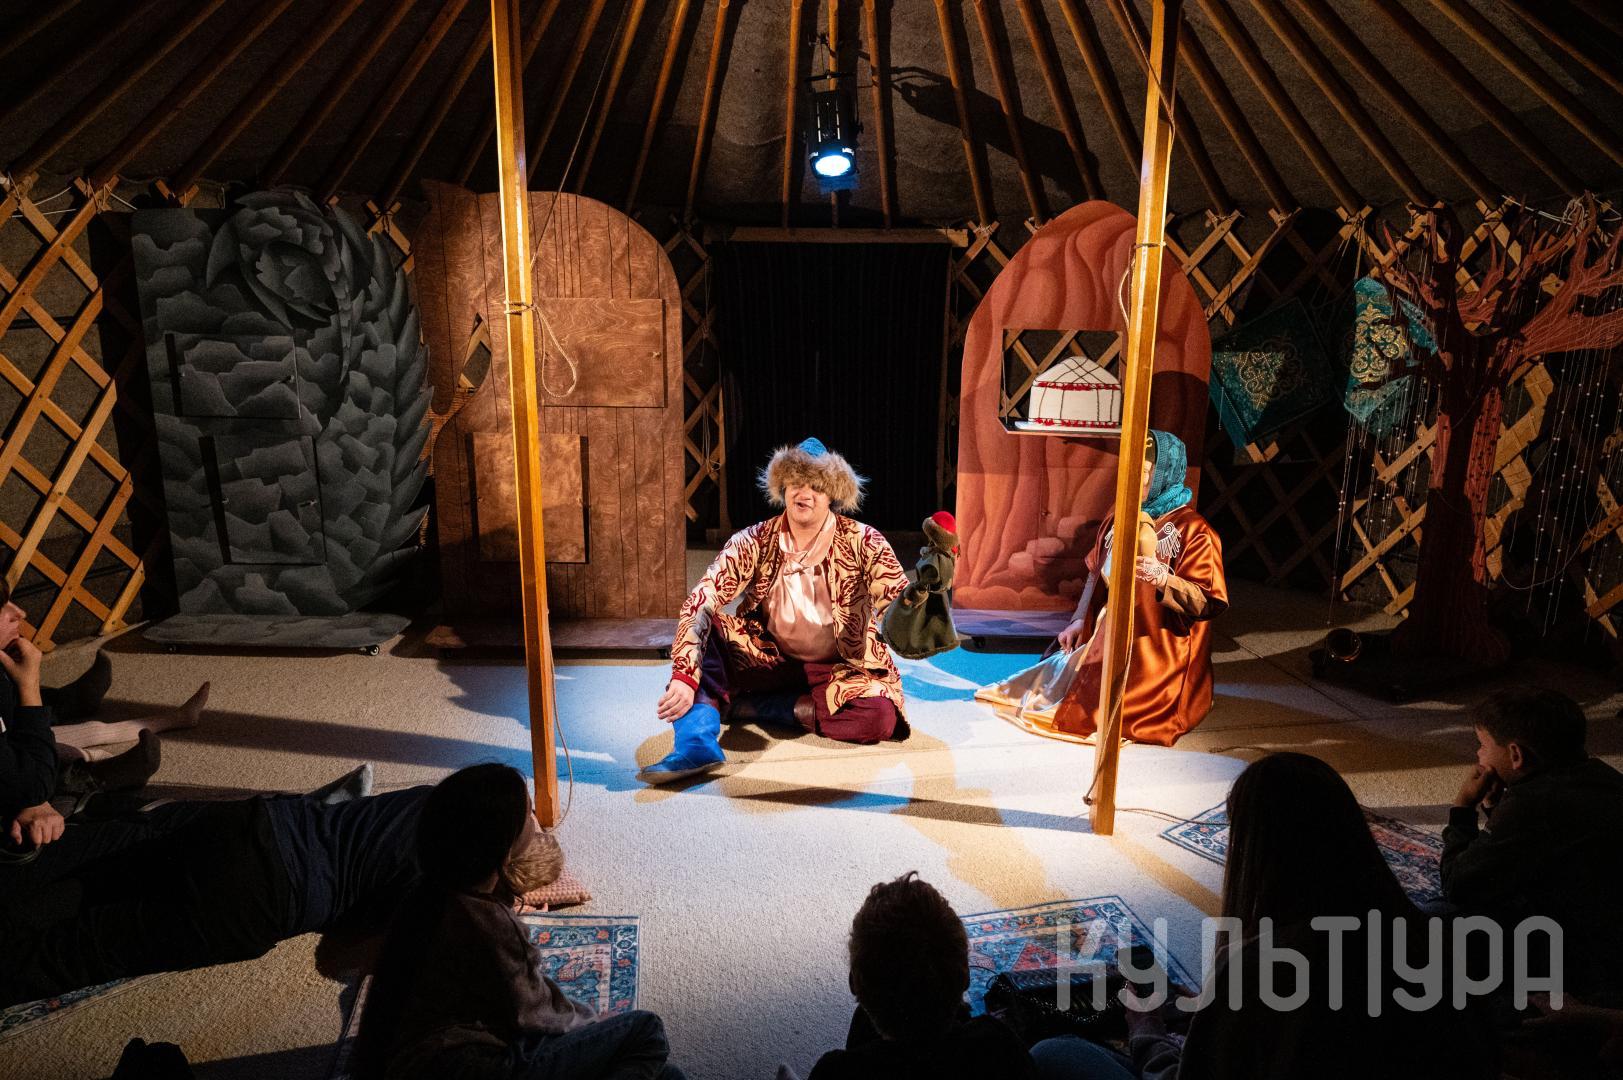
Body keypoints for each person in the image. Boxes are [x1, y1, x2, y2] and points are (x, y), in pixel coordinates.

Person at [1117, 752, 1498, 1079]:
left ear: (1252, 849)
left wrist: (1147, 1032)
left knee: (1080, 1053)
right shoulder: (1430, 933)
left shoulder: (1255, 968)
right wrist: (1216, 1013)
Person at [0, 765, 435, 1009]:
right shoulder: (454, 886)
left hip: (253, 821)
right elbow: (337, 959)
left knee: (92, 876)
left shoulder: (451, 794)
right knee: (74, 954)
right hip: (264, 896)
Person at [353, 763, 683, 1080]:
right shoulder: (489, 925)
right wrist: (594, 1026)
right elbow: (537, 1014)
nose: (534, 816)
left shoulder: (422, 896)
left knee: (667, 1076)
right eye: (528, 814)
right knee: (646, 1032)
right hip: (465, 1067)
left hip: (402, 1064)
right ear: (506, 849)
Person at [640, 437, 910, 784]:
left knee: (879, 718)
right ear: (783, 486)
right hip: (768, 655)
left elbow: (898, 605)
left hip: (839, 665)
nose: (804, 493)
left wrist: (922, 606)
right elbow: (703, 599)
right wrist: (683, 675)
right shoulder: (754, 539)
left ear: (832, 493)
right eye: (796, 482)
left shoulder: (864, 541)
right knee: (709, 635)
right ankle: (696, 743)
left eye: (816, 486)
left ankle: (756, 707)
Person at [976, 429, 1226, 746]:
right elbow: (1095, 575)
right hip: (1106, 635)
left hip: (1155, 649)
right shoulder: (1119, 516)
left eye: (1145, 472)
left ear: (1165, 472)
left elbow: (1206, 600)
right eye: (1130, 469)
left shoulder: (1194, 530)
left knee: (1100, 711)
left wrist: (1163, 579)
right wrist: (1079, 619)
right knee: (1039, 689)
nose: (1134, 480)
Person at [1444, 686, 1623, 1005]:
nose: (1478, 755)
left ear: (1515, 755)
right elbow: (1532, 850)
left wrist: (1462, 810)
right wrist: (1496, 807)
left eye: (1483, 745)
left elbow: (1458, 884)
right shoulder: (1603, 775)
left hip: (1588, 960)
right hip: (1603, 926)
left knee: (1428, 921)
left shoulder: (1532, 805)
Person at [803, 872, 1034, 1080]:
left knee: (864, 1021)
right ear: (965, 976)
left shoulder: (835, 1072)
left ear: (854, 983)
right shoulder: (1000, 1047)